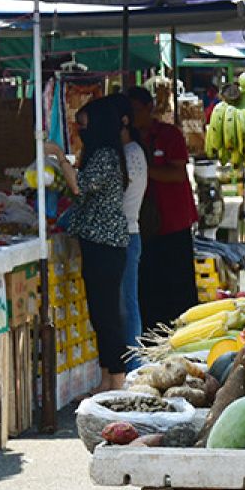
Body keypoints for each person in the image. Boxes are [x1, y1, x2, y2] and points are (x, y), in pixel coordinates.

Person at [45, 96, 131, 392]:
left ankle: (117, 380)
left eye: (82, 126)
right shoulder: (99, 154)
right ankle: (106, 377)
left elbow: (79, 185)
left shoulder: (106, 155)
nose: (79, 131)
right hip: (96, 243)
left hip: (106, 245)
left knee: (107, 315)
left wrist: (56, 153)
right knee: (98, 312)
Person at [125, 86, 199, 331]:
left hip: (174, 222)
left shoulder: (169, 134)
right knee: (149, 289)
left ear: (149, 109)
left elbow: (177, 173)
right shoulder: (128, 139)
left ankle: (183, 334)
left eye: (136, 109)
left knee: (178, 288)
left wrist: (143, 170)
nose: (132, 115)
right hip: (144, 227)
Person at [112, 94, 148, 371]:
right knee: (126, 303)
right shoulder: (130, 152)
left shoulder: (131, 154)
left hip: (127, 234)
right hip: (129, 234)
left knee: (127, 304)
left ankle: (133, 365)